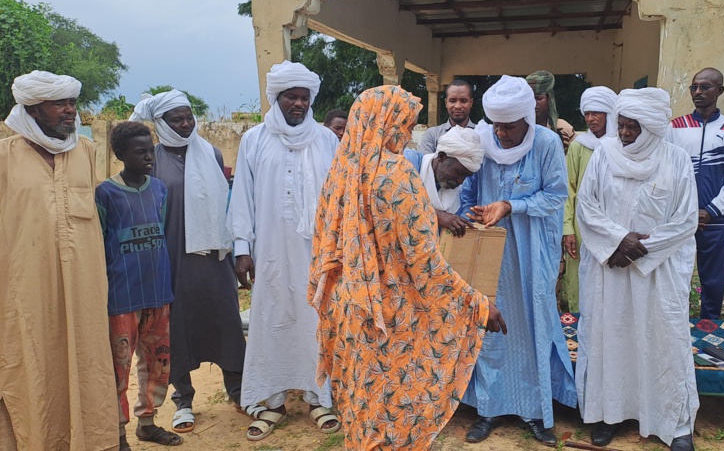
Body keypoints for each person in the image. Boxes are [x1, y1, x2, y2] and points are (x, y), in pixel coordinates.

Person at [308, 85, 507, 451]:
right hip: (388, 313)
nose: (407, 134)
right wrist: (477, 303)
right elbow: (424, 262)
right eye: (406, 124)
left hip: (350, 307)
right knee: (392, 409)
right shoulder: (396, 175)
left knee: (363, 406)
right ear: (387, 123)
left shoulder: (342, 172)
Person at [575, 88, 699, 451]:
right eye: (622, 125)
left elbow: (685, 220)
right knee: (609, 338)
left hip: (658, 272)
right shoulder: (604, 153)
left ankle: (675, 423)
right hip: (610, 268)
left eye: (633, 127)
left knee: (665, 340)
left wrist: (637, 250)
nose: (625, 133)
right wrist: (617, 241)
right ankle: (607, 414)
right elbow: (586, 206)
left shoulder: (676, 160)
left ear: (653, 128)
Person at [0, 70, 117, 450]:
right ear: (32, 109)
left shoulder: (85, 151)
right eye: (59, 104)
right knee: (32, 362)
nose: (70, 110)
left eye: (72, 102)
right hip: (25, 287)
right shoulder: (4, 156)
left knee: (86, 359)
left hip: (84, 286)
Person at [460, 75, 576, 446]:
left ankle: (536, 412)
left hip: (533, 250)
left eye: (509, 126)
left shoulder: (546, 143)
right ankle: (488, 408)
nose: (501, 133)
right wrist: (472, 215)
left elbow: (555, 195)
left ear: (527, 117)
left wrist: (511, 205)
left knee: (533, 326)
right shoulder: (482, 141)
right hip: (491, 250)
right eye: (496, 125)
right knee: (490, 327)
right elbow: (467, 192)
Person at [228, 61, 340, 441]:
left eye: (304, 97)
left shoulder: (326, 140)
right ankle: (272, 401)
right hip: (270, 250)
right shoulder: (254, 139)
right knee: (272, 318)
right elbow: (242, 197)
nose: (299, 104)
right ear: (276, 97)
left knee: (314, 322)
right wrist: (242, 248)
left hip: (317, 251)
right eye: (292, 96)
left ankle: (318, 398)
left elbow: (338, 198)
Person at [133, 90, 247, 435]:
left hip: (214, 258)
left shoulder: (211, 153)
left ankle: (239, 391)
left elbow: (226, 203)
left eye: (188, 117)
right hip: (171, 257)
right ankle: (183, 399)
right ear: (160, 123)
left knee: (226, 320)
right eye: (176, 119)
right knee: (177, 327)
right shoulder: (152, 159)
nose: (185, 124)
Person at [97, 121, 180, 449]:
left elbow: (162, 233)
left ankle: (147, 423)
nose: (148, 157)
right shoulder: (106, 193)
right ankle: (117, 433)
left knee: (158, 362)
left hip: (158, 292)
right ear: (120, 154)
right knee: (119, 367)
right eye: (140, 152)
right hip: (122, 296)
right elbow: (99, 242)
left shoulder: (159, 190)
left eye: (150, 151)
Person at [667, 68, 724, 319]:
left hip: (715, 221)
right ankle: (674, 328)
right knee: (674, 279)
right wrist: (686, 211)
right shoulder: (675, 127)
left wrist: (711, 211)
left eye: (705, 87)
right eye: (694, 87)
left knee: (712, 283)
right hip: (680, 218)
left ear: (719, 90)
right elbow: (668, 173)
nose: (698, 92)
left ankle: (710, 332)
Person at [562, 86, 618, 313]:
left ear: (609, 114)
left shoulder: (621, 146)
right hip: (580, 227)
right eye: (587, 113)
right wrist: (567, 229)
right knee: (579, 280)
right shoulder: (578, 146)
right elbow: (568, 189)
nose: (590, 118)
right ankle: (578, 326)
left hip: (613, 225)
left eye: (596, 113)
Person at [403, 126, 484, 237]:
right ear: (441, 157)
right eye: (459, 172)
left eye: (466, 176)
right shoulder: (408, 162)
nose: (460, 181)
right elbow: (395, 201)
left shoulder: (459, 193)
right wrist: (437, 215)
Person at [418, 79, 476, 154]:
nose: (457, 106)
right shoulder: (432, 135)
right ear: (446, 103)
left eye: (463, 101)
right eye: (452, 101)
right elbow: (426, 160)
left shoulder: (481, 134)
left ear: (471, 103)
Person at [525, 70, 572, 141]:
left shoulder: (563, 128)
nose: (534, 103)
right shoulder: (519, 128)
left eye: (539, 98)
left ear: (549, 99)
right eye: (530, 98)